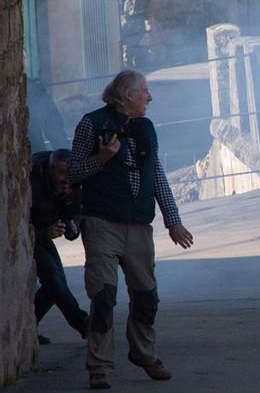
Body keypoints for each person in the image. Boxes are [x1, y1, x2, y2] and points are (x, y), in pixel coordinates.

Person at [67, 70, 194, 390]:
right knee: (104, 294)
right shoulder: (91, 124)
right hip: (101, 223)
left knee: (146, 295)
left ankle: (143, 353)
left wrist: (173, 219)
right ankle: (99, 366)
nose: (149, 97)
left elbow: (157, 175)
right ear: (127, 95)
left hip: (138, 225)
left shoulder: (146, 128)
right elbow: (72, 172)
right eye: (144, 92)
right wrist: (102, 158)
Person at [30, 149, 89, 344]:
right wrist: (44, 233)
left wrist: (72, 226)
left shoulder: (74, 183)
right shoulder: (32, 182)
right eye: (63, 175)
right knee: (54, 278)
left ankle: (29, 326)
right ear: (51, 170)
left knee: (54, 284)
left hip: (44, 233)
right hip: (30, 233)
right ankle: (82, 323)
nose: (67, 180)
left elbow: (74, 213)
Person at [27, 77, 69, 152]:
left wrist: (66, 156)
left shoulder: (35, 90)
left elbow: (55, 130)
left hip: (36, 154)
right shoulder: (34, 89)